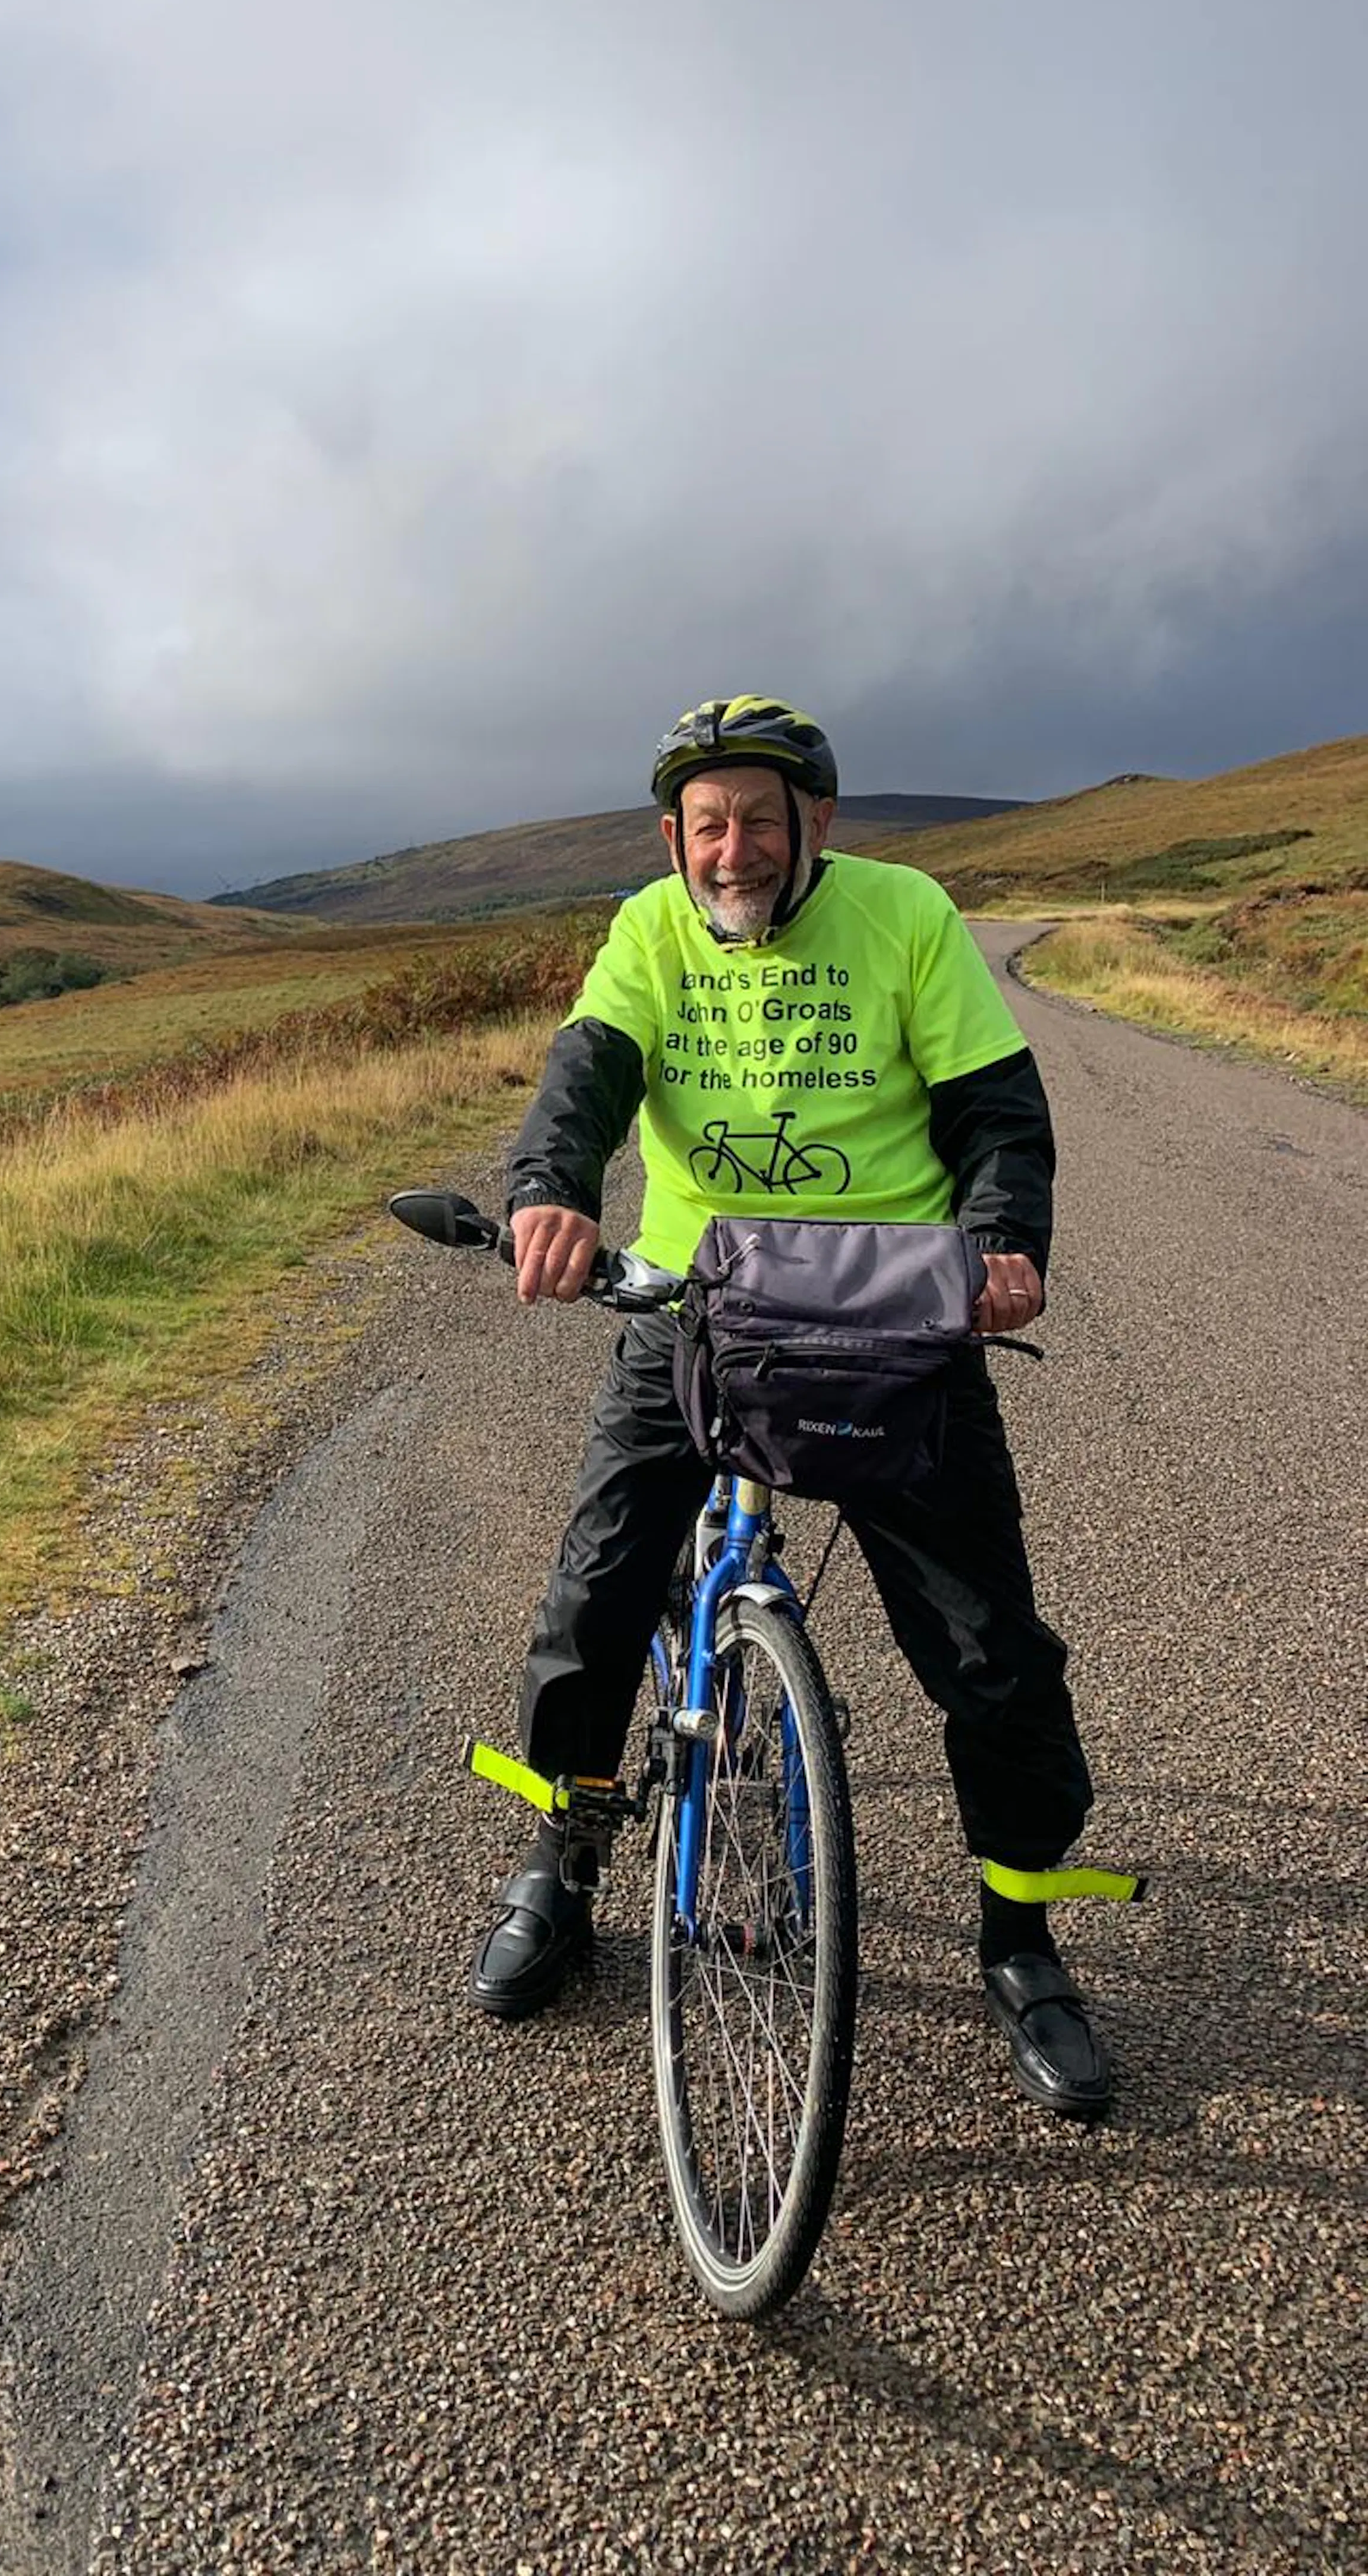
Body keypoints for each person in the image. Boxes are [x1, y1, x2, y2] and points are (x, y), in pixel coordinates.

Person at [472, 693, 1113, 2119]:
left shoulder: (904, 915)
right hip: (695, 1310)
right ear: (674, 838)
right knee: (593, 1600)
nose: (733, 848)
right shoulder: (650, 931)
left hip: (893, 1313)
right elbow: (589, 1073)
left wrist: (1006, 1238)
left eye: (761, 818)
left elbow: (995, 1106)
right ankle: (562, 1865)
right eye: (708, 825)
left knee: (991, 1651)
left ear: (817, 821)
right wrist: (550, 1189)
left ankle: (1023, 1940)